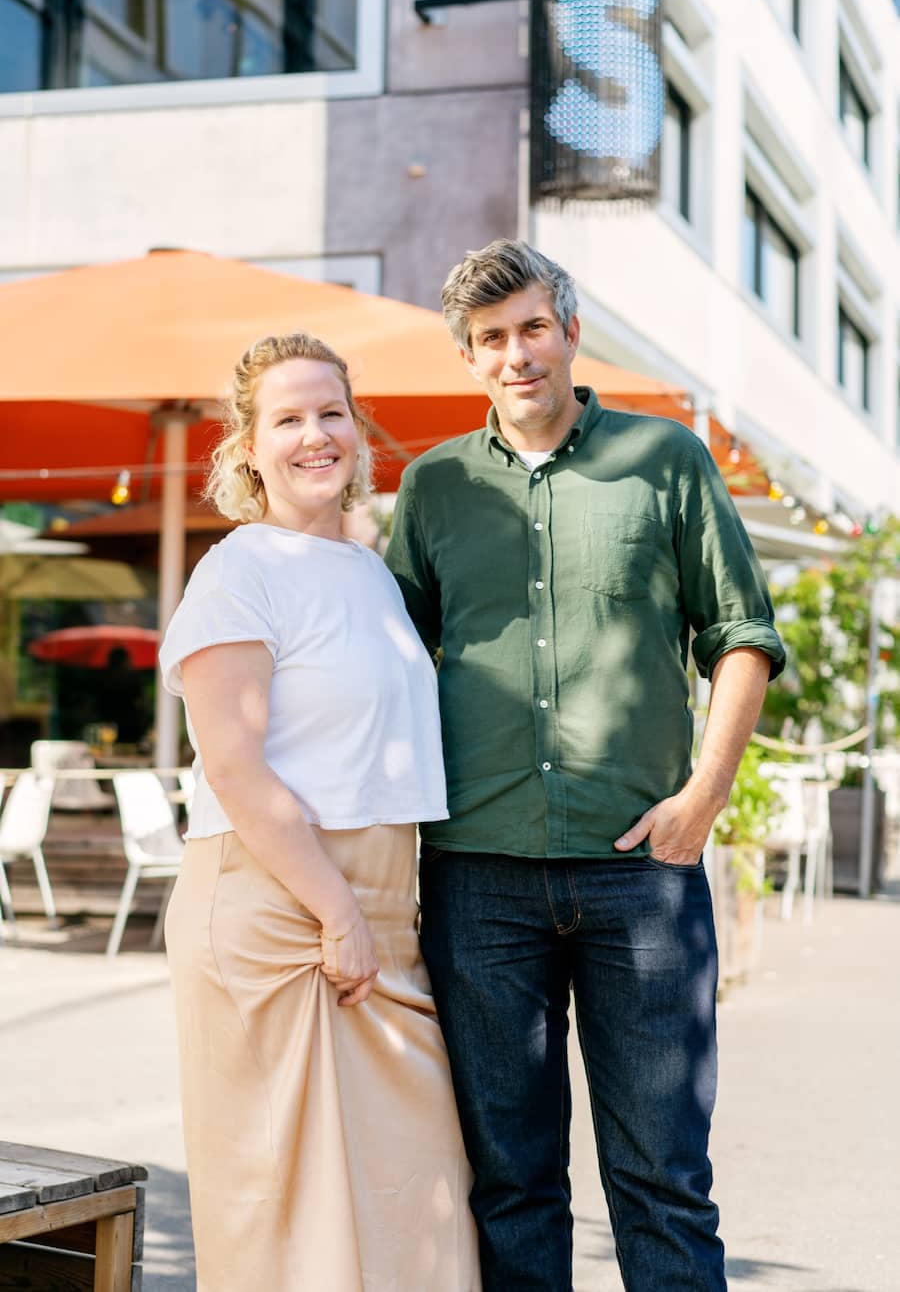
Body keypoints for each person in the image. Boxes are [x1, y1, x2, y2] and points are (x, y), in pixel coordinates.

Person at [385, 239, 786, 1292]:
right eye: (488, 341)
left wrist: (705, 795)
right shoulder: (431, 488)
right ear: (469, 361)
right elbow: (383, 662)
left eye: (529, 329)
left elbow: (741, 634)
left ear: (569, 331)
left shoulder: (667, 460)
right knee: (510, 1182)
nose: (514, 356)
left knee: (662, 1181)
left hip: (640, 871)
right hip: (476, 872)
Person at [158, 332, 480, 1292]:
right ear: (247, 448)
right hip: (280, 912)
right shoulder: (238, 571)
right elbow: (233, 765)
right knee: (287, 1223)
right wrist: (336, 912)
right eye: (287, 418)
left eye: (331, 412)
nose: (314, 436)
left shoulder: (372, 571)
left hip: (381, 913)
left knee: (419, 1207)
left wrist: (367, 916)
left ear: (358, 429)